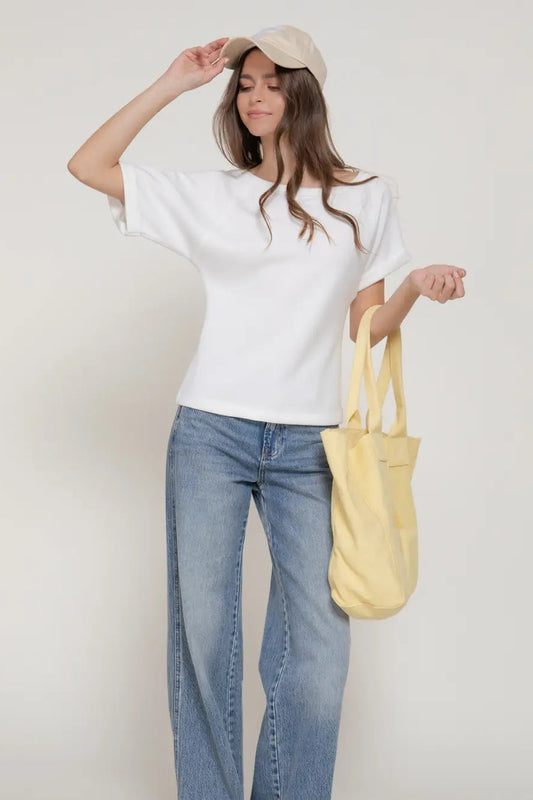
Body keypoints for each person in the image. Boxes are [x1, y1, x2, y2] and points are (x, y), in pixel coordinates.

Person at [67, 24, 466, 800]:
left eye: (271, 82)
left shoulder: (364, 197)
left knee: (316, 649)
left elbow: (363, 330)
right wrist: (171, 82)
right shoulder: (213, 195)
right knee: (205, 639)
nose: (253, 95)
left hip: (313, 444)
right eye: (244, 83)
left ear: (304, 93)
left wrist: (415, 285)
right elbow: (88, 165)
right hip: (209, 434)